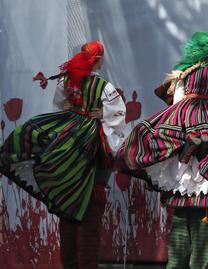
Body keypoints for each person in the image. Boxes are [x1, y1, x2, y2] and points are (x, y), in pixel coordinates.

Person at [116, 32, 208, 269]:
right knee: (203, 225)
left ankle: (187, 149)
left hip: (183, 123)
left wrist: (182, 117)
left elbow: (177, 102)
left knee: (181, 225)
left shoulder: (185, 69)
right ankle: (197, 147)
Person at [0, 41, 126, 268]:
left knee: (68, 224)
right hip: (91, 162)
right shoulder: (104, 88)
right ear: (97, 60)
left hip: (67, 158)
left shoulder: (65, 81)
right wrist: (98, 116)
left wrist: (76, 111)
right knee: (88, 230)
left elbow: (60, 107)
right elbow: (117, 119)